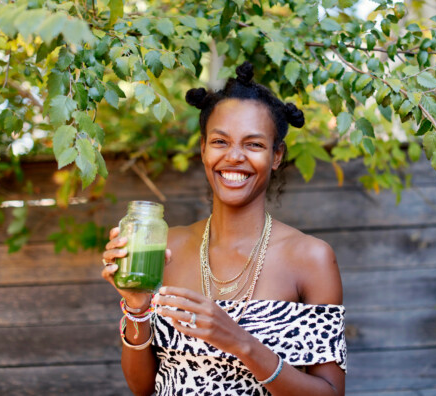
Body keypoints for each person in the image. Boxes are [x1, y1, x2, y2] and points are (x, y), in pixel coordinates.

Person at [102, 61, 347, 396]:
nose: (234, 156)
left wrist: (239, 341)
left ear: (277, 155)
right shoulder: (165, 247)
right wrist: (136, 306)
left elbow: (330, 393)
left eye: (254, 144)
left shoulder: (310, 258)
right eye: (220, 141)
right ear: (203, 149)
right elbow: (143, 387)